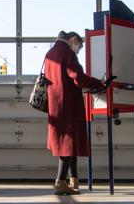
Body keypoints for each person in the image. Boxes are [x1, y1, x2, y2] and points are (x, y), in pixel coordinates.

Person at [44, 31, 105, 195]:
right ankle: (60, 182)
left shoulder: (50, 53)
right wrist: (98, 83)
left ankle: (74, 181)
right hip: (69, 104)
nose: (77, 50)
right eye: (78, 46)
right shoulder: (67, 53)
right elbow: (78, 77)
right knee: (68, 143)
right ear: (73, 39)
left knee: (71, 143)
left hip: (56, 104)